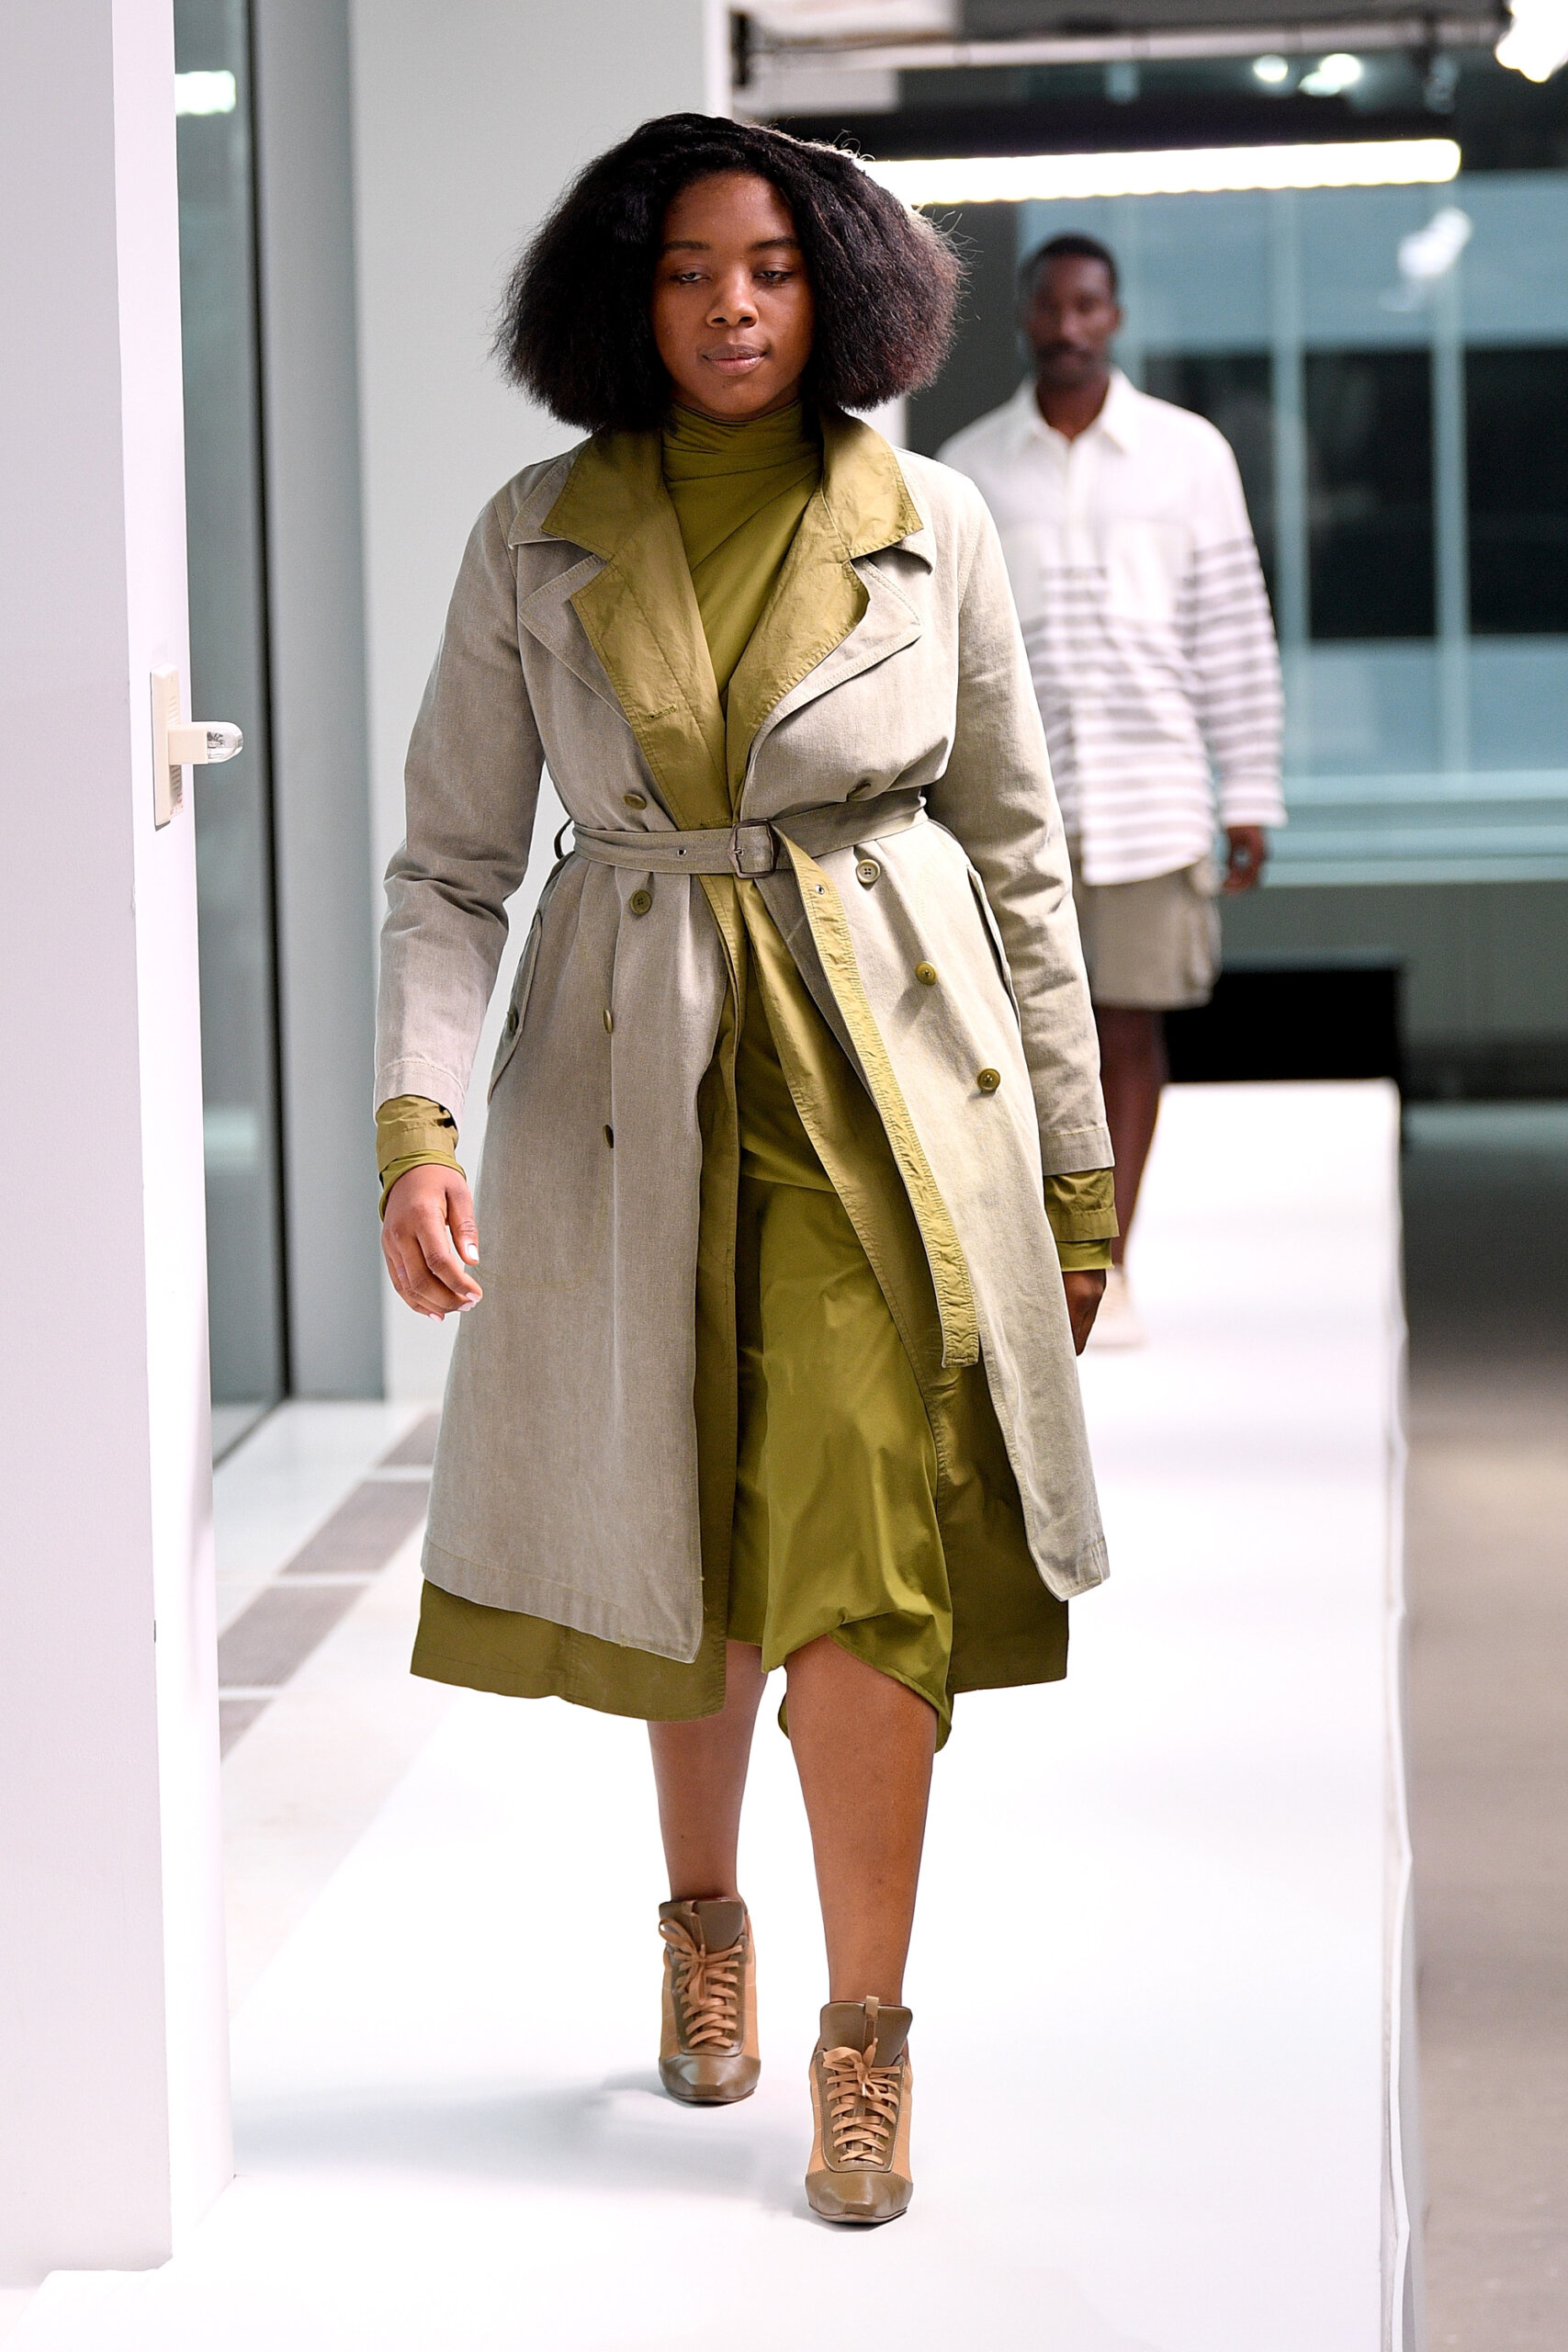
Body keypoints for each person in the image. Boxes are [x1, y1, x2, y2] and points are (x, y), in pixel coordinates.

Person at [374, 117, 1115, 2226]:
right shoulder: (533, 533)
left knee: (859, 1543)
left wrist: (1071, 1168)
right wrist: (416, 1124)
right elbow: (447, 864)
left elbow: (1017, 854)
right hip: (620, 1085)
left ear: (837, 289)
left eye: (772, 268)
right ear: (626, 293)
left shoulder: (932, 522)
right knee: (672, 1530)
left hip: (885, 1098)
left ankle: (863, 2037)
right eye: (691, 268)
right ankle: (703, 1916)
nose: (730, 306)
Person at [941, 232, 1283, 1344]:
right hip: (1012, 805)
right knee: (1020, 1038)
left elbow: (1233, 625)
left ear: (1116, 316)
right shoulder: (970, 466)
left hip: (1154, 791)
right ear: (1025, 317)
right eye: (1050, 305)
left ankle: (1111, 1261)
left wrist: (1250, 789)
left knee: (1127, 1027)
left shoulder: (1189, 454)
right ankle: (1033, 1254)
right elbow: (944, 652)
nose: (1069, 325)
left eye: (1088, 305)